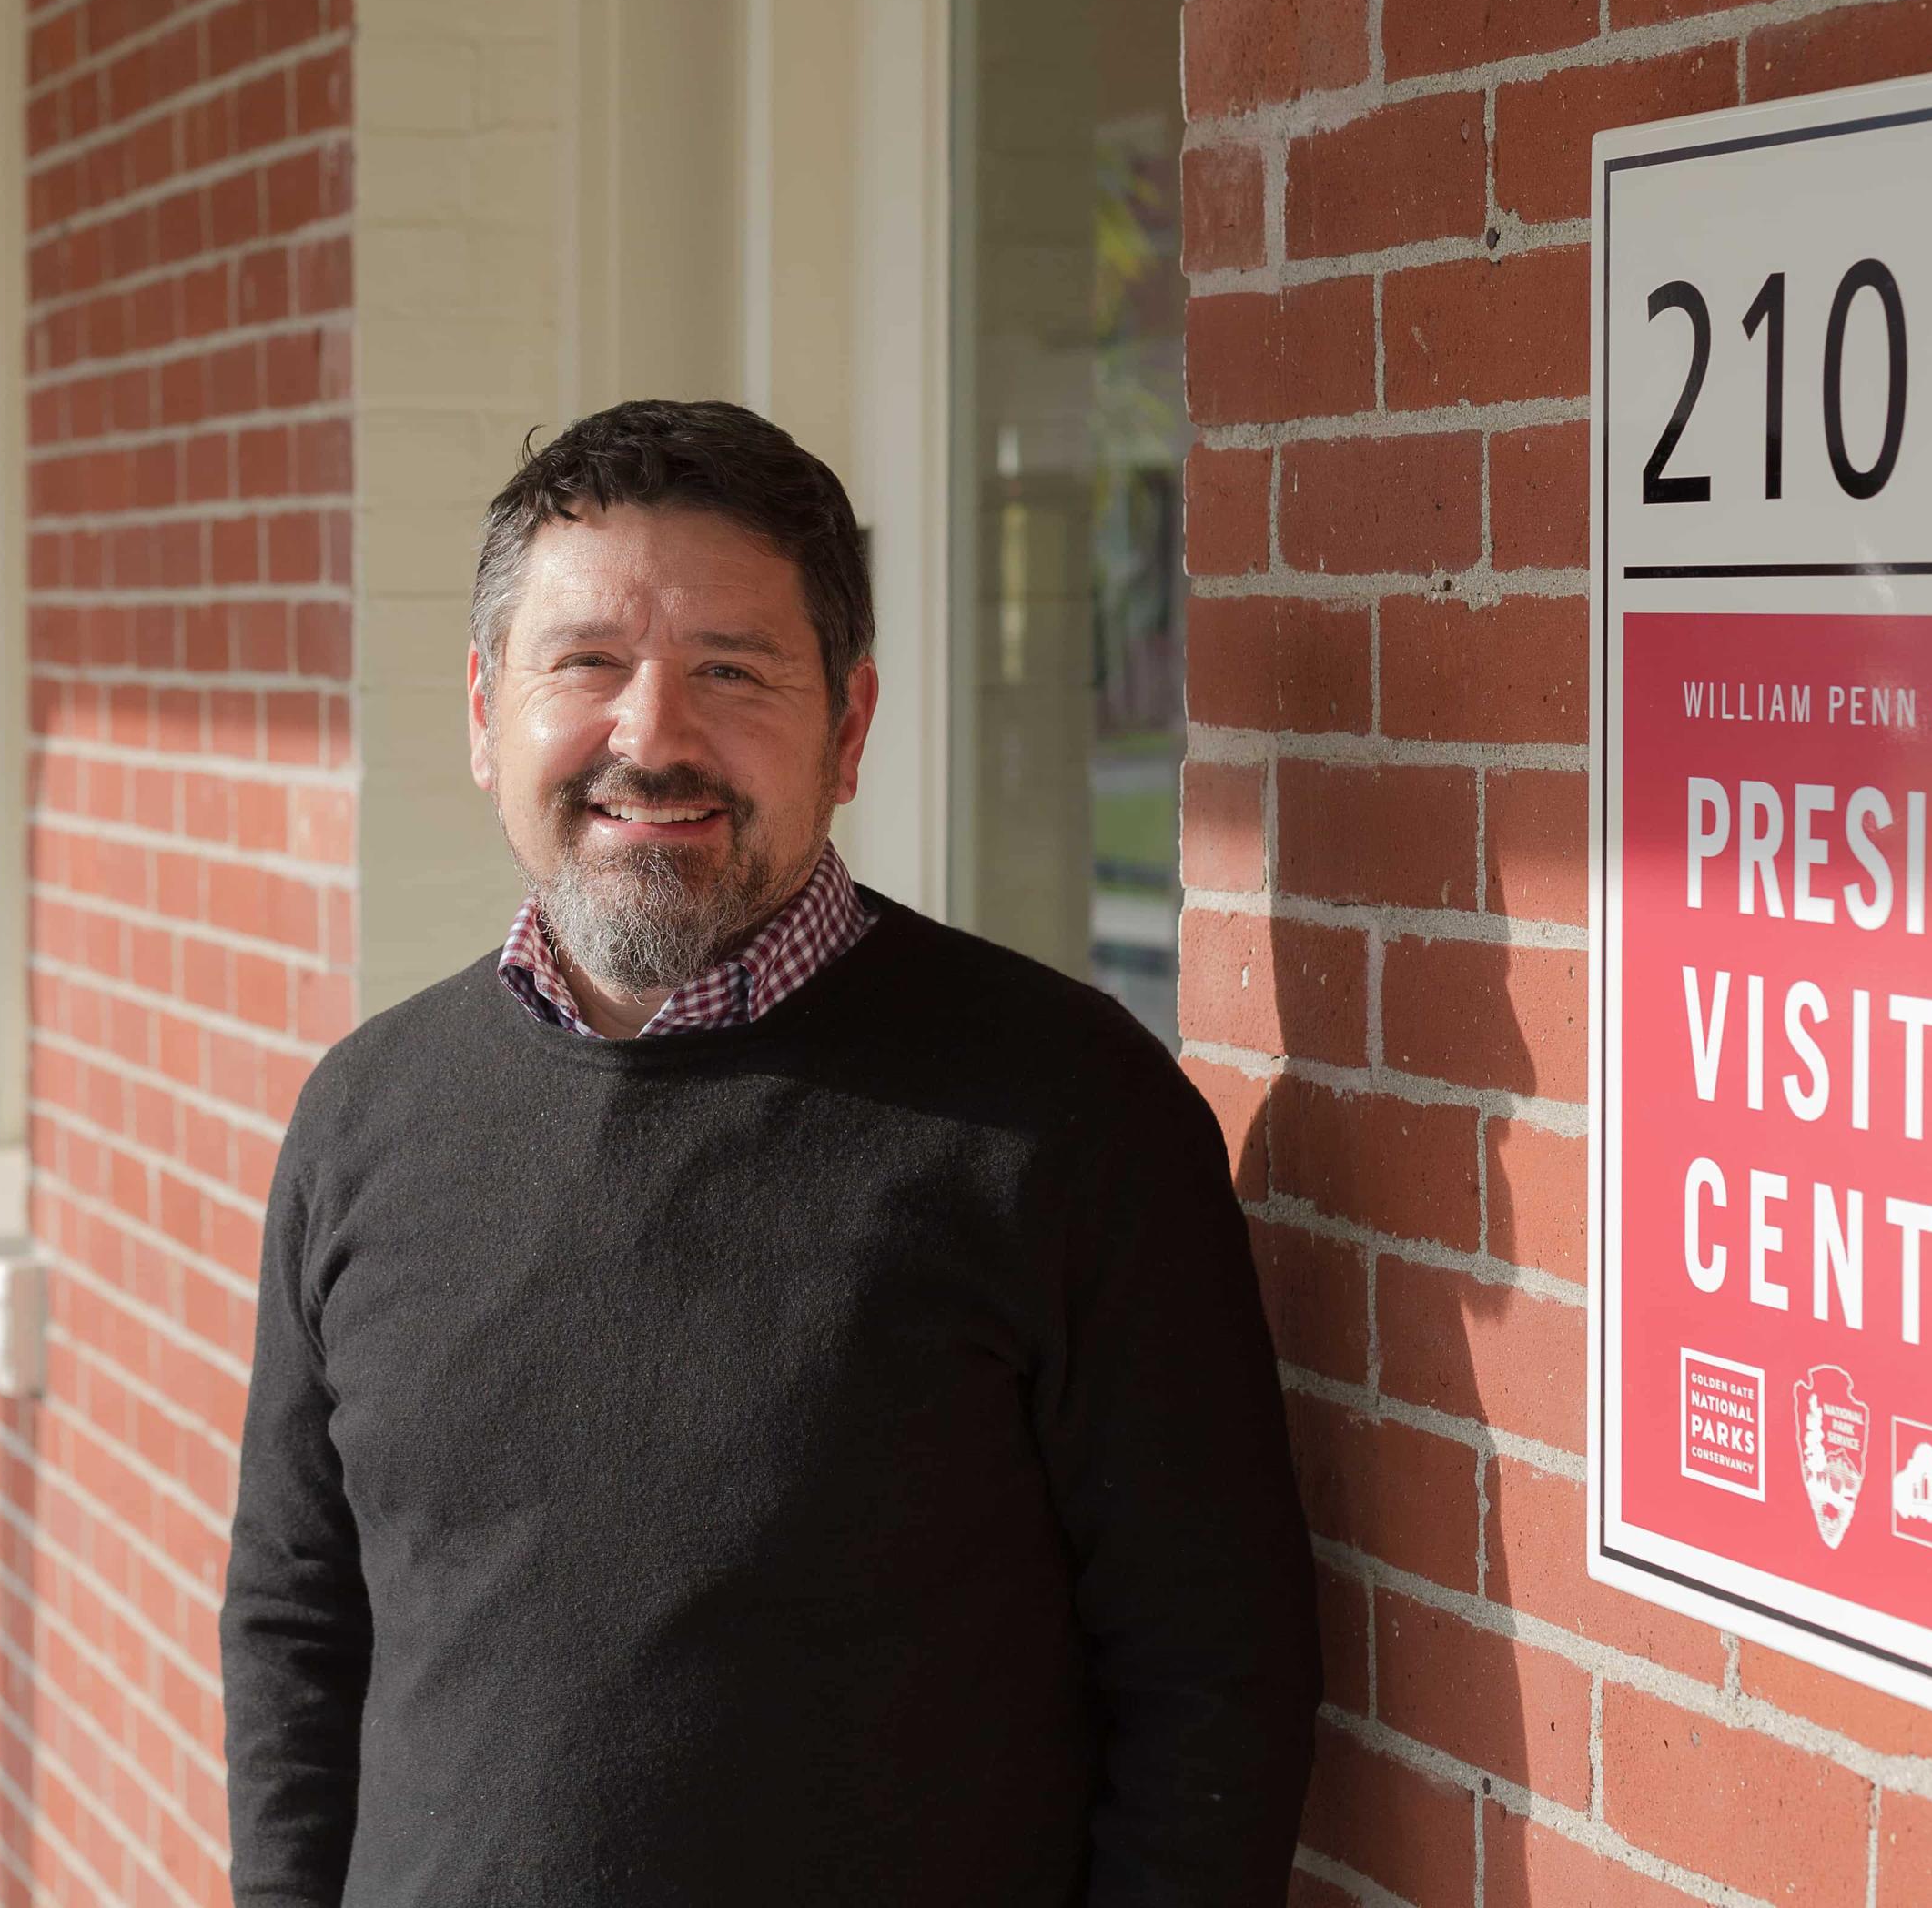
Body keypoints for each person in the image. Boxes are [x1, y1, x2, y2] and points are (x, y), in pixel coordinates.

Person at [221, 399, 1319, 1906]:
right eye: (586, 663)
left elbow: (1216, 1680)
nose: (651, 736)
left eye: (732, 672)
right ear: (486, 711)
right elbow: (296, 1625)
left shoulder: (1065, 1120)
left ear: (849, 727)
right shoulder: (364, 1117)